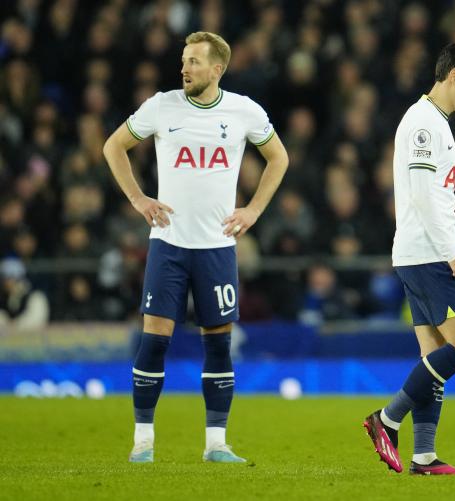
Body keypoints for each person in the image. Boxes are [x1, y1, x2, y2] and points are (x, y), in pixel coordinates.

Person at [102, 32, 288, 464]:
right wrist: (138, 199)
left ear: (217, 69)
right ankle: (142, 442)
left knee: (218, 346)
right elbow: (114, 146)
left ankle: (216, 444)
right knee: (155, 342)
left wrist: (254, 210)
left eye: (194, 62)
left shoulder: (243, 110)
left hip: (217, 248)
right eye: (184, 60)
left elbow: (279, 157)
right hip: (168, 245)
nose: (184, 68)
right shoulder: (162, 106)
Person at [362, 42, 455, 476]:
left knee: (433, 356)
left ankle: (423, 456)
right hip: (429, 254)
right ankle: (386, 418)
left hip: (417, 253)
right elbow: (422, 194)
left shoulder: (433, 121)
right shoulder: (424, 122)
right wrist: (452, 252)